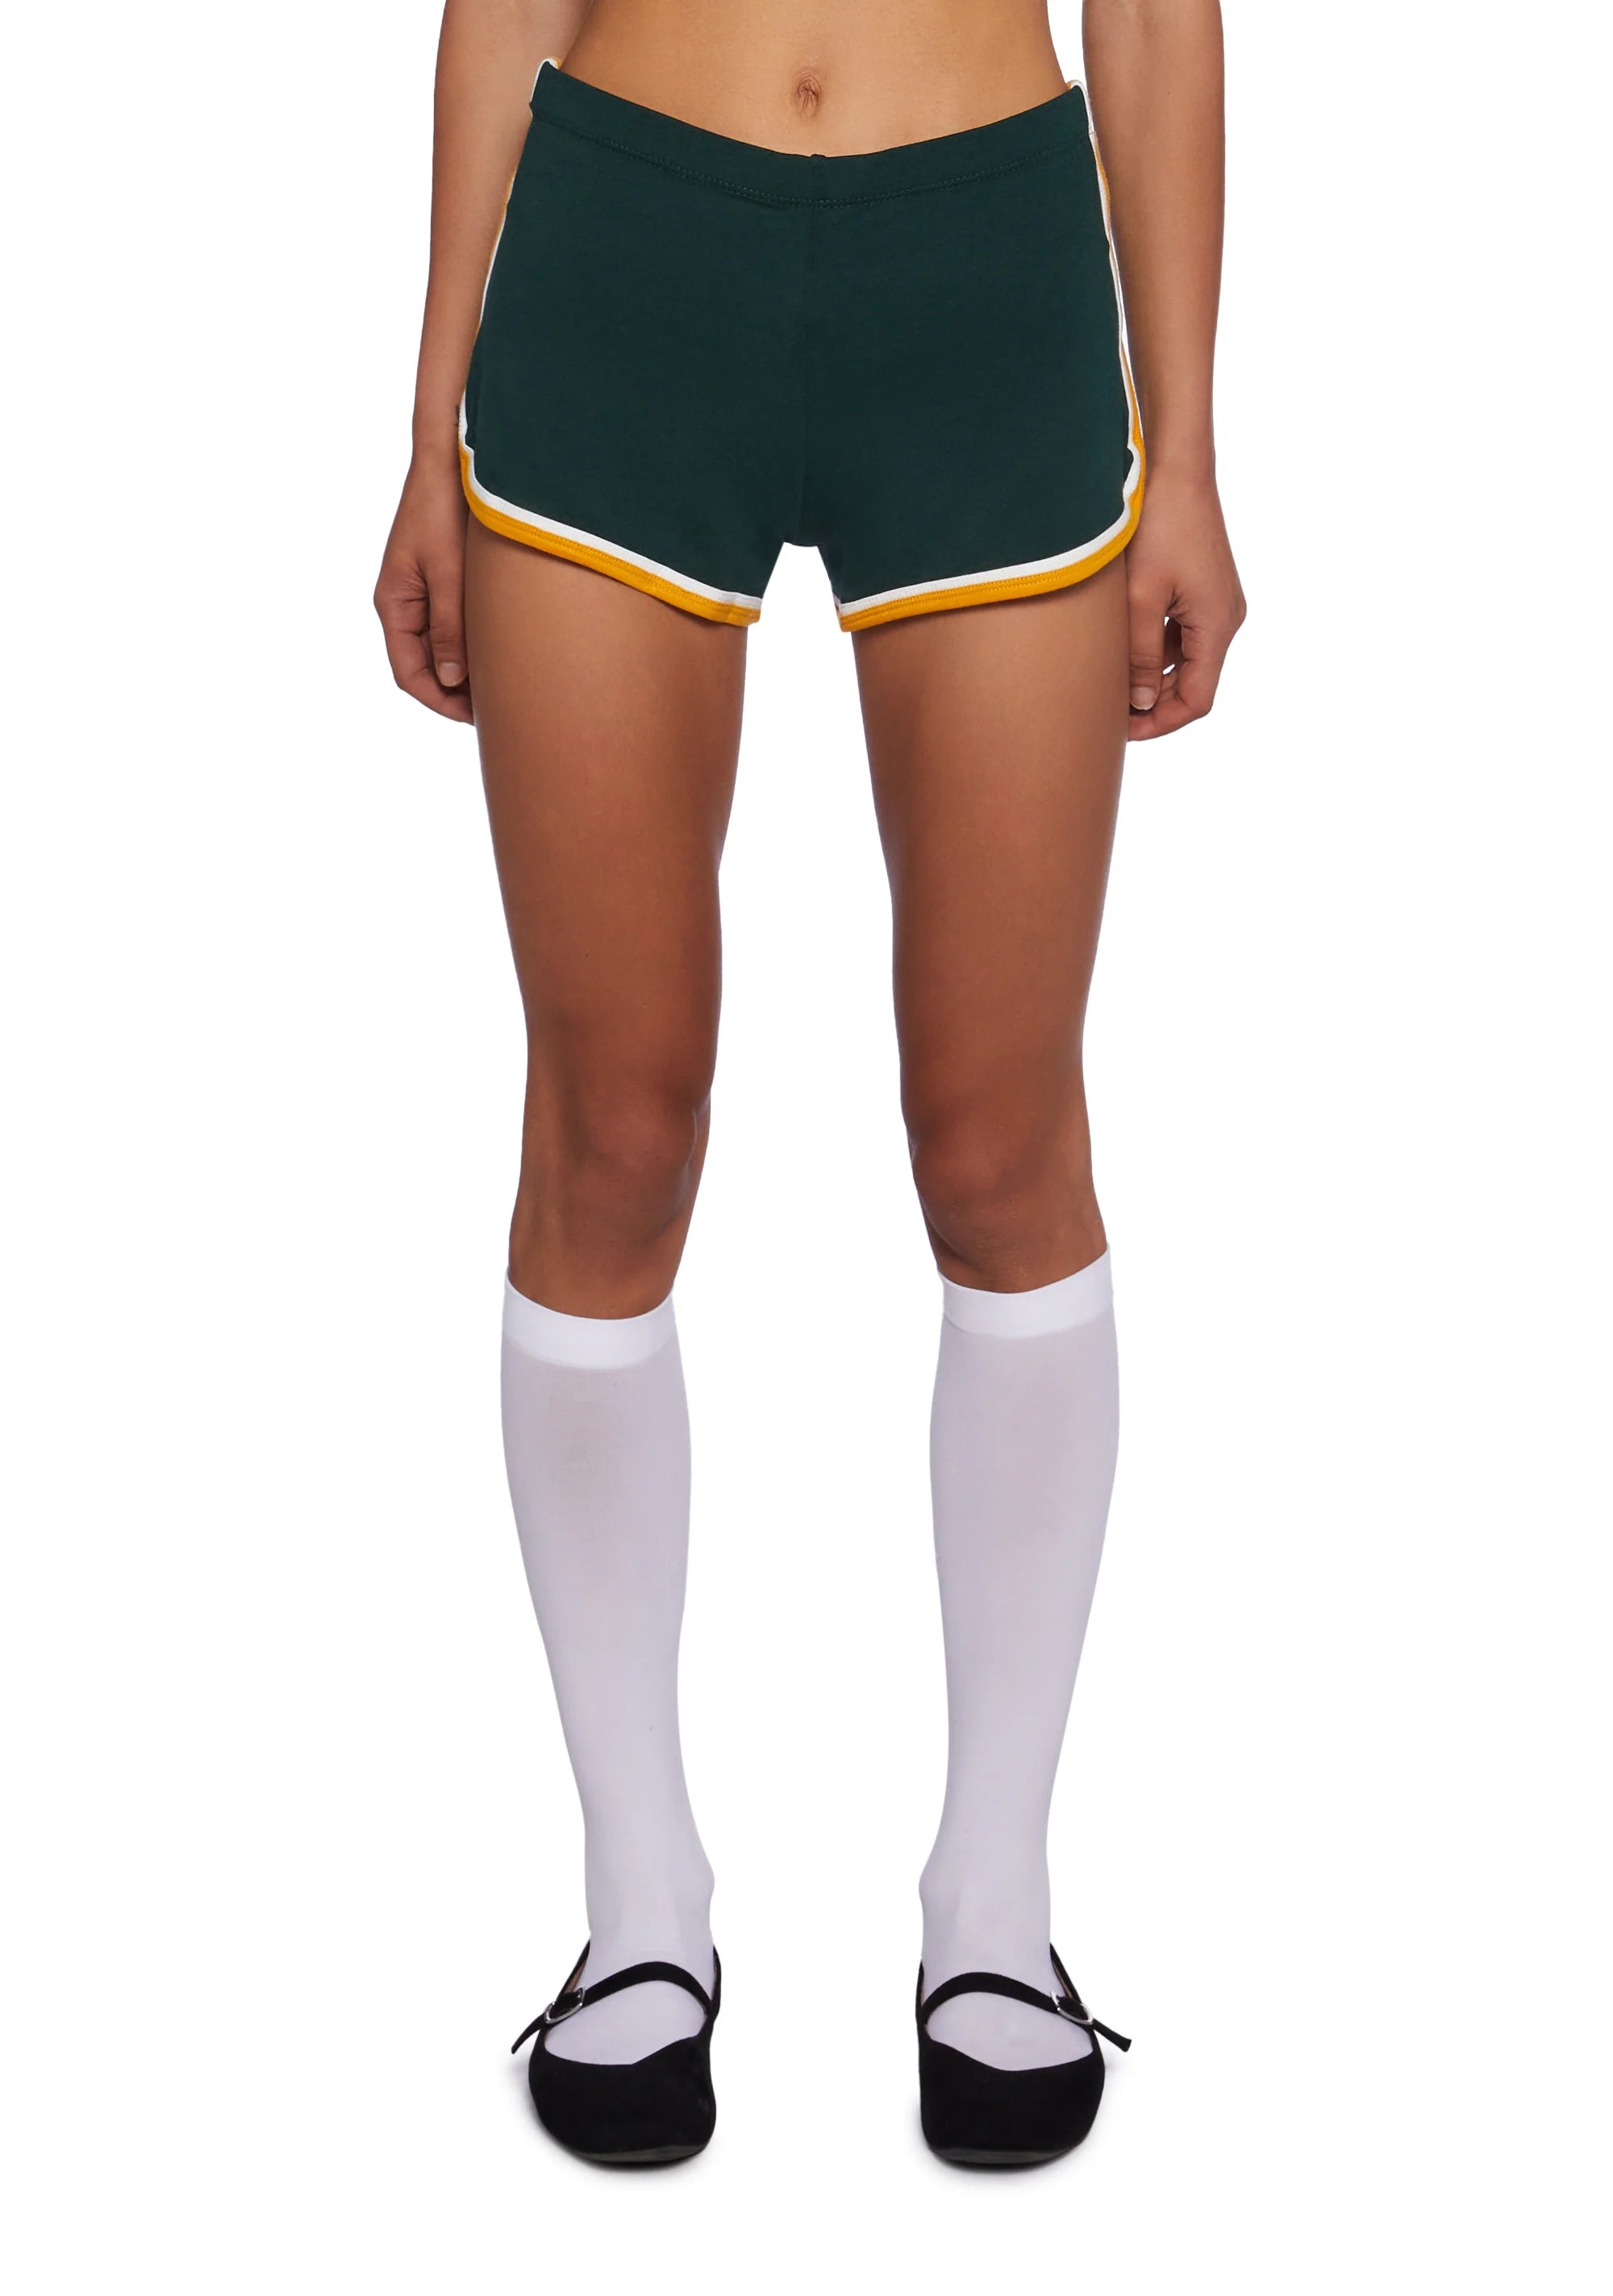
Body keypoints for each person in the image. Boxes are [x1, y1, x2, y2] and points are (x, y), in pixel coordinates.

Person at [375, 0, 1244, 2169]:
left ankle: (995, 1904)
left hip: (982, 265)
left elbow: (1154, 9)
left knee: (999, 1132)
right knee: (615, 1122)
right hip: (626, 249)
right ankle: (639, 1902)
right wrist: (424, 425)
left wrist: (1194, 453)